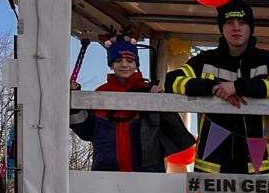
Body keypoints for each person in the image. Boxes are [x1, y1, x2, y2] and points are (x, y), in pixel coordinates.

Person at [165, 3, 269, 175]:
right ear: (221, 28)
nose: (236, 27)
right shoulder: (204, 61)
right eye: (229, 22)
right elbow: (172, 81)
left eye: (242, 22)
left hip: (267, 166)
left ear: (251, 28)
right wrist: (212, 87)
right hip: (212, 166)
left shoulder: (268, 60)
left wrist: (239, 87)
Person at [70, 39, 193, 172]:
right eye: (118, 61)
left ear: (136, 64)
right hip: (106, 172)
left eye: (130, 61)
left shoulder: (150, 92)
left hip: (147, 173)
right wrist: (74, 100)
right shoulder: (100, 94)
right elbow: (86, 131)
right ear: (111, 65)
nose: (124, 65)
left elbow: (171, 131)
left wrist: (160, 101)